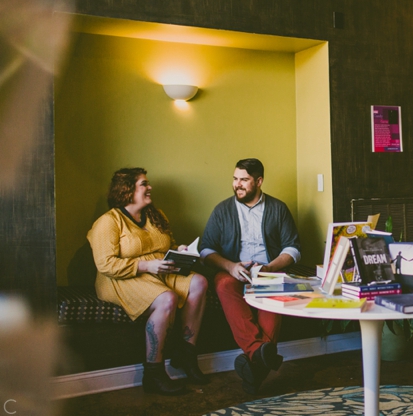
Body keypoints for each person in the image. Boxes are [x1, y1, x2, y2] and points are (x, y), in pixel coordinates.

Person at [87, 168, 209, 395]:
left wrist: (178, 250)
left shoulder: (156, 215)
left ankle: (186, 355)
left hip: (159, 270)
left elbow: (166, 246)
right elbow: (106, 264)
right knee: (166, 298)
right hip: (121, 277)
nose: (149, 187)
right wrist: (145, 266)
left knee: (200, 282)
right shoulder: (108, 222)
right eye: (144, 184)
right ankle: (153, 373)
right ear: (127, 191)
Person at [199, 158, 301, 394]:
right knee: (223, 285)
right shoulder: (222, 210)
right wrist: (230, 266)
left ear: (259, 181)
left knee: (272, 302)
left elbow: (293, 248)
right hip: (234, 271)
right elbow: (206, 250)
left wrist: (271, 268)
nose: (237, 184)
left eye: (244, 180)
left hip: (269, 271)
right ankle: (260, 352)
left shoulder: (278, 208)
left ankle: (254, 367)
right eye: (235, 179)